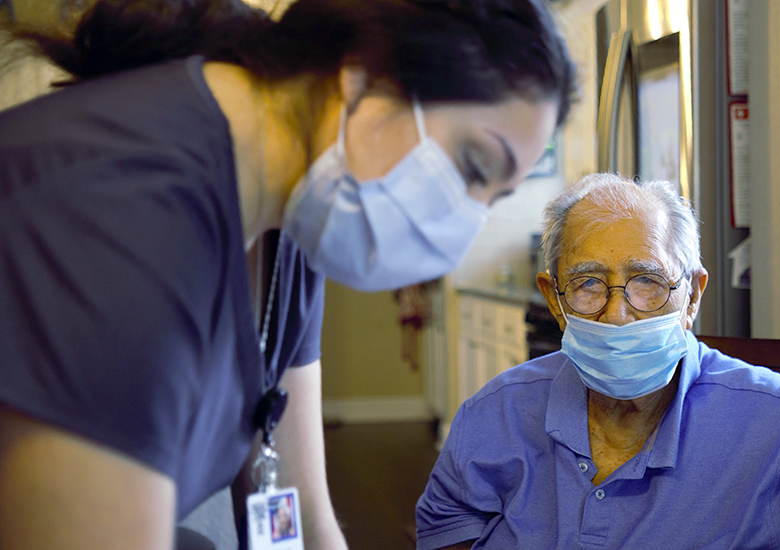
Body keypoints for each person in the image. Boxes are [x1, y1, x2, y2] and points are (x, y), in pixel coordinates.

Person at [0, 0, 576, 548]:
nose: (464, 225)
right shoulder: (125, 210)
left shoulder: (292, 221)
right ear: (365, 77)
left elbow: (302, 514)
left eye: (491, 200)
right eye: (473, 167)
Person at [415, 173, 780, 550]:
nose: (617, 314)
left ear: (693, 295)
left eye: (648, 283)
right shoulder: (495, 414)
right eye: (587, 285)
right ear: (553, 298)